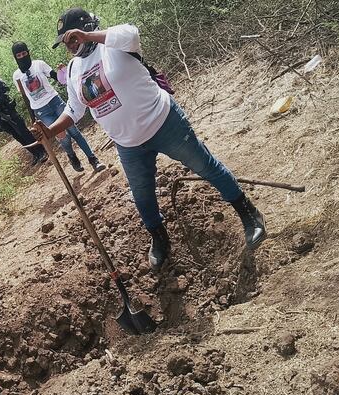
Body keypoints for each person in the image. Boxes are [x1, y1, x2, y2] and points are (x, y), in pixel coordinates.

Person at [33, 8, 266, 269]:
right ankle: (160, 238)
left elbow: (131, 33)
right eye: (66, 42)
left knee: (205, 166)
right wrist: (50, 131)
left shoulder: (114, 43)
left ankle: (249, 214)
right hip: (128, 144)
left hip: (164, 123)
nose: (71, 45)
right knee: (142, 196)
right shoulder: (75, 69)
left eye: (73, 37)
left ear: (87, 27)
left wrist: (89, 35)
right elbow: (74, 109)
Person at [11, 41, 105, 173]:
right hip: (41, 111)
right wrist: (33, 117)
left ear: (28, 52)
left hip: (55, 102)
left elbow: (57, 77)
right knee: (62, 136)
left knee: (74, 131)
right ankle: (72, 157)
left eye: (24, 53)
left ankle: (93, 159)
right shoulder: (16, 76)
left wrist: (63, 71)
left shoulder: (39, 64)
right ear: (15, 57)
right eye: (19, 55)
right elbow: (25, 95)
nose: (22, 56)